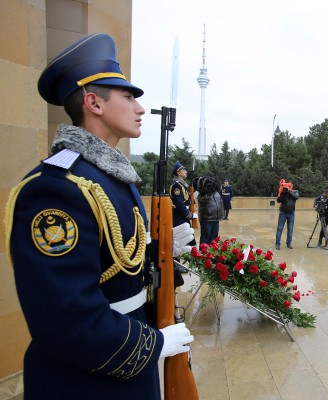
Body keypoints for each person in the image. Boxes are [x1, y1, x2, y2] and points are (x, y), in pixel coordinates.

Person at [4, 33, 194, 399]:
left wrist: (160, 251)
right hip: (87, 380)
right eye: (128, 97)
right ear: (94, 102)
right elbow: (64, 315)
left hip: (120, 366)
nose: (140, 109)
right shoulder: (57, 187)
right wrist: (150, 344)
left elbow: (113, 264)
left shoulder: (111, 178)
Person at [170, 160, 197, 245]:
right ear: (178, 173)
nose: (186, 172)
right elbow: (179, 204)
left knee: (189, 241)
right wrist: (190, 215)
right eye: (183, 170)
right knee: (181, 242)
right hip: (179, 217)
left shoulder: (182, 185)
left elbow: (187, 200)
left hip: (183, 216)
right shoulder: (176, 186)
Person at [197, 176, 225, 244]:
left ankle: (212, 253)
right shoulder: (203, 194)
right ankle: (203, 252)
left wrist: (221, 216)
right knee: (205, 238)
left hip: (216, 219)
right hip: (207, 219)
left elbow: (220, 204)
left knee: (214, 238)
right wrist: (206, 189)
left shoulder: (216, 193)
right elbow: (203, 201)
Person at [275, 180, 299, 250]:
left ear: (292, 186)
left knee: (290, 229)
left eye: (290, 185)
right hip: (283, 213)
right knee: (279, 228)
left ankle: (289, 243)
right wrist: (282, 193)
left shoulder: (295, 191)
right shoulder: (283, 191)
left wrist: (289, 191)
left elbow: (296, 197)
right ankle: (277, 244)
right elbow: (278, 201)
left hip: (291, 213)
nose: (289, 186)